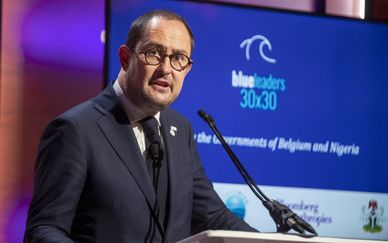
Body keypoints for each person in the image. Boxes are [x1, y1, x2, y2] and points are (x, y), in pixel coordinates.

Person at [24, 9, 257, 243]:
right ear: (126, 58)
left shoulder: (180, 129)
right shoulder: (75, 130)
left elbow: (213, 217)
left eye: (178, 58)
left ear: (187, 69)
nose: (166, 68)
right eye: (154, 53)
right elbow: (44, 230)